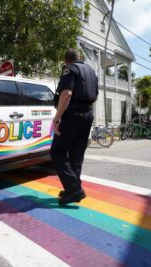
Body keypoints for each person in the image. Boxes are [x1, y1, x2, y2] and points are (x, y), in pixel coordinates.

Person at [51, 48, 98, 206]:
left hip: (73, 115)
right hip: (88, 114)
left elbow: (67, 94)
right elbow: (95, 96)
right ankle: (73, 190)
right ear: (80, 58)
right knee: (76, 155)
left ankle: (74, 190)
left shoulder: (69, 69)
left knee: (57, 152)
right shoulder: (91, 72)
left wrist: (56, 119)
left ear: (67, 60)